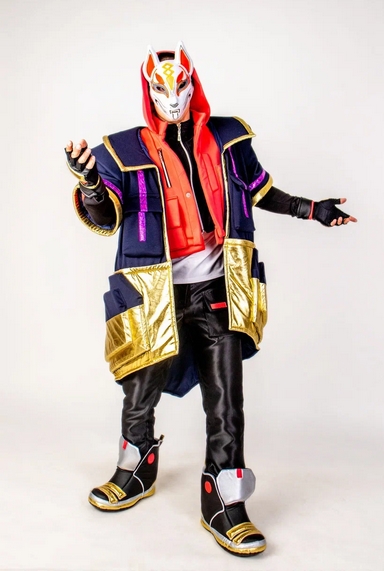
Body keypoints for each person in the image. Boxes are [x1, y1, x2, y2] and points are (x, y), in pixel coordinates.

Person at [65, 41, 357, 557]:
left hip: (219, 286)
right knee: (141, 387)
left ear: (192, 83)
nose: (172, 96)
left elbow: (260, 189)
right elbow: (106, 215)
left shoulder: (228, 138)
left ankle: (223, 500)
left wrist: (312, 209)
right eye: (161, 87)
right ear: (148, 90)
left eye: (179, 85)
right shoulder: (121, 150)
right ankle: (136, 467)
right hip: (153, 291)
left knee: (226, 398)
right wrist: (90, 181)